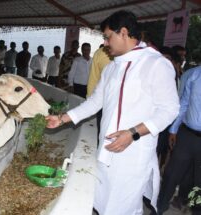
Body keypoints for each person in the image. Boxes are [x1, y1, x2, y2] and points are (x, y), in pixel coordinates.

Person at [46, 10, 179, 215]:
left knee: (123, 207)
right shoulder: (111, 68)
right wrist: (62, 119)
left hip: (133, 152)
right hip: (107, 148)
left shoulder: (156, 64)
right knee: (103, 202)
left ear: (123, 33)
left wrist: (133, 133)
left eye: (108, 37)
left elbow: (170, 110)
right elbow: (95, 102)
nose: (106, 44)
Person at [157, 65, 201, 215]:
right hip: (187, 135)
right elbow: (184, 103)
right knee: (171, 174)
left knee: (199, 183)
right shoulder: (195, 75)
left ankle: (196, 210)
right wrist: (173, 129)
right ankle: (159, 208)